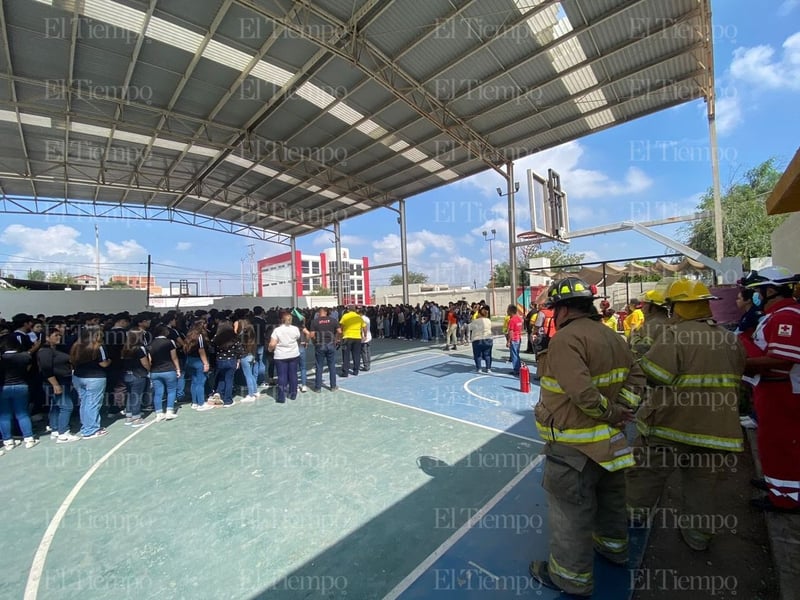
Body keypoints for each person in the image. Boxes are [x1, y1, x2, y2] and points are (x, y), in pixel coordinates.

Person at [530, 277, 644, 597]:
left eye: (555, 309)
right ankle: (614, 549)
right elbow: (637, 377)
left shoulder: (566, 339)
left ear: (564, 309)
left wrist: (610, 412)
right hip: (609, 441)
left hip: (574, 444)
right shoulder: (611, 335)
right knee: (610, 498)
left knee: (570, 512)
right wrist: (622, 410)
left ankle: (570, 578)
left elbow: (581, 393)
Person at [627, 279, 746, 550]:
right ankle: (698, 537)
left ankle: (632, 516)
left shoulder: (675, 335)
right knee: (702, 486)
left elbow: (657, 376)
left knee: (645, 475)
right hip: (718, 430)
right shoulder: (729, 339)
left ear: (678, 307)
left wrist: (642, 359)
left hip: (671, 425)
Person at [741, 267, 800, 512]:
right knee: (771, 441)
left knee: (783, 443)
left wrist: (740, 362)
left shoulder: (787, 316)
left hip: (783, 391)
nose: (754, 296)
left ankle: (786, 498)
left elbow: (782, 360)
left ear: (771, 290)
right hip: (771, 389)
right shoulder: (777, 315)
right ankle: (777, 485)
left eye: (757, 292)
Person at [38, 327, 79, 442]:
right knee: (67, 406)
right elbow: (46, 370)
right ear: (47, 338)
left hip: (63, 381)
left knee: (56, 406)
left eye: (59, 335)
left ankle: (55, 429)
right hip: (56, 383)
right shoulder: (45, 352)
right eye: (55, 335)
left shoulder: (57, 349)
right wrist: (55, 384)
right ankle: (63, 433)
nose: (59, 337)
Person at [70, 326, 111, 439]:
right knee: (93, 403)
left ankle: (86, 427)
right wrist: (109, 361)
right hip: (95, 378)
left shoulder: (76, 346)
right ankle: (91, 429)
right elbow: (103, 363)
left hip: (78, 376)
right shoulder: (99, 346)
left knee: (84, 402)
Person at [0, 334, 39, 449]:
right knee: (22, 413)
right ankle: (28, 438)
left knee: (4, 415)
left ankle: (8, 441)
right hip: (21, 385)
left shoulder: (2, 358)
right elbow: (27, 369)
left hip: (3, 387)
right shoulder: (24, 356)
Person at [629, 281, 672, 357]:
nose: (642, 307)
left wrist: (633, 335)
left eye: (645, 304)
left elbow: (642, 349)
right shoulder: (662, 320)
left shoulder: (654, 324)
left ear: (653, 306)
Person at [148, 325, 181, 421]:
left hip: (155, 371)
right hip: (169, 370)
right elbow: (174, 357)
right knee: (171, 390)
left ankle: (159, 413)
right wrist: (178, 369)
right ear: (164, 332)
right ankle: (169, 411)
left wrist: (150, 370)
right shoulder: (170, 342)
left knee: (158, 392)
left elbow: (149, 360)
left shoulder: (151, 343)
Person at [268, 311, 301, 403]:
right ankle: (293, 393)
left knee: (282, 376)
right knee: (293, 374)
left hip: (281, 355)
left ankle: (281, 396)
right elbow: (297, 338)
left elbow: (273, 343)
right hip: (293, 354)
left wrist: (270, 349)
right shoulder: (295, 329)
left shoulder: (277, 330)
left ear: (281, 320)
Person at [120, 329, 150, 427]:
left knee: (129, 395)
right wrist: (149, 370)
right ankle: (136, 418)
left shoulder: (125, 348)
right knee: (136, 396)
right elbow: (145, 363)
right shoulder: (140, 348)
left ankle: (129, 416)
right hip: (138, 374)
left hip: (127, 375)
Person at [308, 307, 341, 392]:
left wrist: (315, 341)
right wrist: (336, 339)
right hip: (330, 344)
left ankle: (318, 387)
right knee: (331, 366)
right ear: (326, 313)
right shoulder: (333, 320)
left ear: (319, 313)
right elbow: (339, 331)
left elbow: (311, 335)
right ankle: (333, 386)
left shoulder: (314, 322)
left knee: (319, 366)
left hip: (320, 344)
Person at [211, 320, 243, 407]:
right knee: (229, 379)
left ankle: (219, 392)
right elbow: (239, 350)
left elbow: (212, 347)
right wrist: (238, 361)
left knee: (221, 377)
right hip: (231, 359)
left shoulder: (216, 337)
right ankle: (228, 400)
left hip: (220, 360)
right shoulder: (234, 337)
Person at [339, 306, 364, 377]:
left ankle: (345, 372)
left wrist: (340, 336)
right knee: (356, 354)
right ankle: (356, 370)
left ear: (348, 310)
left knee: (346, 355)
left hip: (347, 337)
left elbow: (341, 326)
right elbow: (364, 327)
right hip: (357, 337)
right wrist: (364, 335)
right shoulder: (359, 317)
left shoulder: (345, 316)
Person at [468, 306, 493, 373]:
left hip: (477, 339)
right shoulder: (488, 320)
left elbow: (469, 327)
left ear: (479, 314)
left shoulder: (475, 321)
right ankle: (488, 368)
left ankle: (479, 368)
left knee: (478, 355)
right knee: (488, 355)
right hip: (488, 339)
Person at [506, 304, 523, 377]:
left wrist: (508, 341)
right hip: (518, 338)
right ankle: (519, 368)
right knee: (517, 354)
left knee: (514, 355)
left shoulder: (512, 320)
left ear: (510, 311)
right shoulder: (519, 319)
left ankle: (516, 370)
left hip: (514, 339)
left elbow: (511, 332)